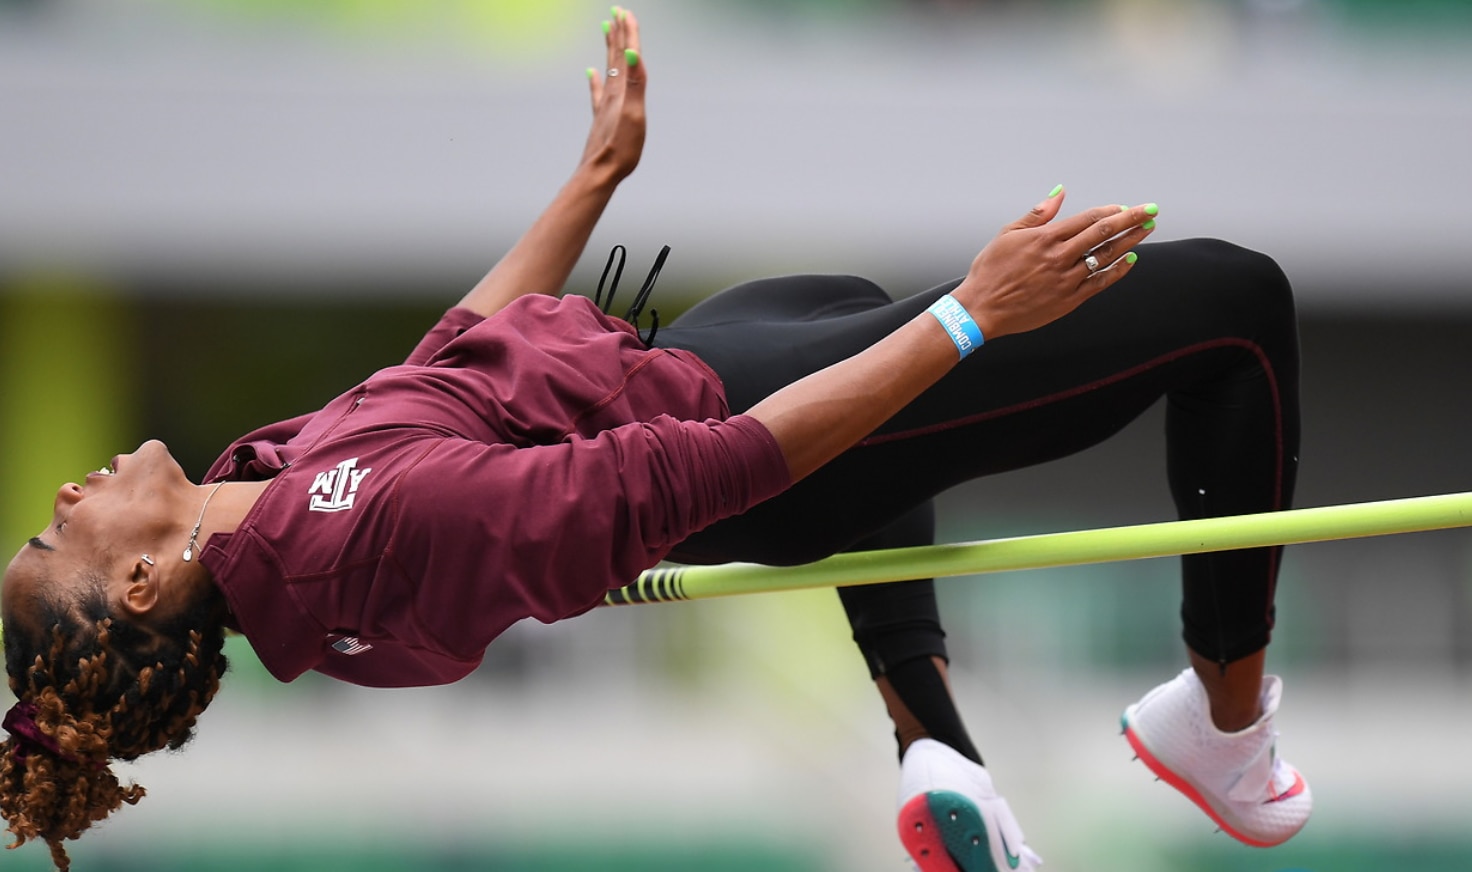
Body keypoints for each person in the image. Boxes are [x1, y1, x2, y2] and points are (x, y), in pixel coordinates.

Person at [0, 8, 1308, 872]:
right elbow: (718, 464)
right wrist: (977, 315)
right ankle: (1225, 722)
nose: (64, 493)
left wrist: (592, 180)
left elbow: (447, 362)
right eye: (58, 532)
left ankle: (938, 750)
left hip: (714, 349)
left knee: (853, 322)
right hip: (755, 416)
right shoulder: (360, 546)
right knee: (1237, 307)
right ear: (139, 583)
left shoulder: (262, 493)